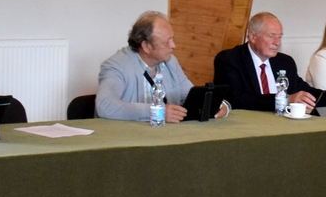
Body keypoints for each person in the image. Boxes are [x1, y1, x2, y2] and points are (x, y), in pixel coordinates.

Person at [97, 11, 229, 122]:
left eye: (172, 38)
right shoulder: (116, 66)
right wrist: (156, 112)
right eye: (166, 42)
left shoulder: (170, 62)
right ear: (146, 46)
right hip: (128, 138)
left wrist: (220, 105)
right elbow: (105, 106)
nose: (173, 45)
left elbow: (190, 96)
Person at [213, 12, 319, 112]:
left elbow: (303, 90)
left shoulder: (285, 62)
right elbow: (237, 98)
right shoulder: (230, 59)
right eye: (271, 36)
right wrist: (285, 100)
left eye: (280, 36)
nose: (277, 42)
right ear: (252, 37)